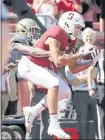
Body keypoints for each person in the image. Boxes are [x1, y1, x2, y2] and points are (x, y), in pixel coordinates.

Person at [18, 11, 88, 139]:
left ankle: (33, 111)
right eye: (77, 27)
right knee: (54, 83)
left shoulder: (70, 41)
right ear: (67, 25)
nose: (79, 30)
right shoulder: (56, 31)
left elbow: (71, 67)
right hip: (29, 64)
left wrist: (89, 62)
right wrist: (79, 55)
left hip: (41, 66)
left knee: (65, 91)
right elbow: (58, 61)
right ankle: (54, 124)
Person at [87, 45, 104, 139]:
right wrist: (90, 88)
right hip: (102, 87)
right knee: (102, 116)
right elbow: (90, 71)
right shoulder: (97, 52)